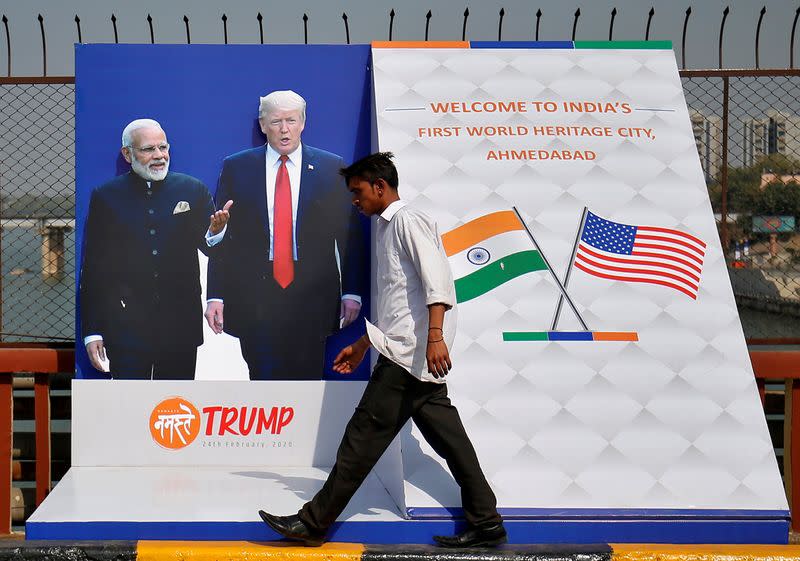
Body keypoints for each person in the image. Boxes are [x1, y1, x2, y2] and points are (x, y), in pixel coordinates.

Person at [258, 152, 506, 548]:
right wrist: (361, 344)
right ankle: (487, 522)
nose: (354, 200)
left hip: (409, 358)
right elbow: (398, 305)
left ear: (380, 186)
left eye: (358, 192)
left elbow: (436, 281)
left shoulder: (408, 221)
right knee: (452, 444)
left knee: (360, 441)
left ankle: (313, 523)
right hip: (407, 354)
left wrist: (435, 337)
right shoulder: (387, 228)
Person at [205, 90, 365, 380]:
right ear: (262, 125)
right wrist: (215, 295)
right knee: (262, 382)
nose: (284, 129)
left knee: (306, 381)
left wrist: (351, 290)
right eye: (276, 121)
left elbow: (349, 235)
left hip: (313, 295)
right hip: (255, 297)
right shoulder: (237, 167)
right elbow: (223, 235)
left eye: (291, 120)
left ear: (303, 123)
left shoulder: (332, 168)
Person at [80, 118, 231, 380]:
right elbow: (95, 267)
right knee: (129, 407)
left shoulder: (192, 189)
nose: (159, 156)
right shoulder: (106, 196)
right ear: (127, 154)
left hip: (180, 325)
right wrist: (93, 331)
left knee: (175, 408)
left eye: (163, 147)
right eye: (149, 149)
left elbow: (213, 251)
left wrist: (215, 233)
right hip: (125, 326)